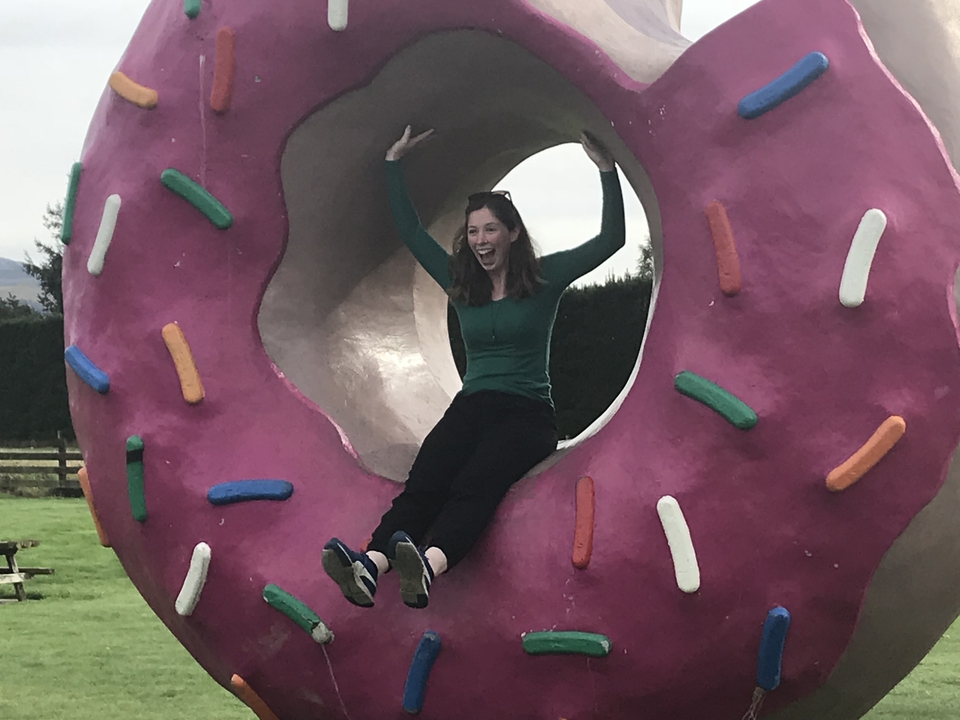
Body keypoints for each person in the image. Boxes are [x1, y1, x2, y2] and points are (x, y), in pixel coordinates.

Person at [321, 125, 625, 609]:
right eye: (473, 231)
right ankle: (370, 567)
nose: (480, 240)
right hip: (472, 407)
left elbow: (611, 239)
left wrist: (606, 170)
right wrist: (393, 164)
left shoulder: (544, 279)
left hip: (527, 415)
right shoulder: (461, 283)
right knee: (423, 483)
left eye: (489, 229)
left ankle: (430, 564)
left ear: (511, 233)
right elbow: (411, 233)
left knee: (475, 483)